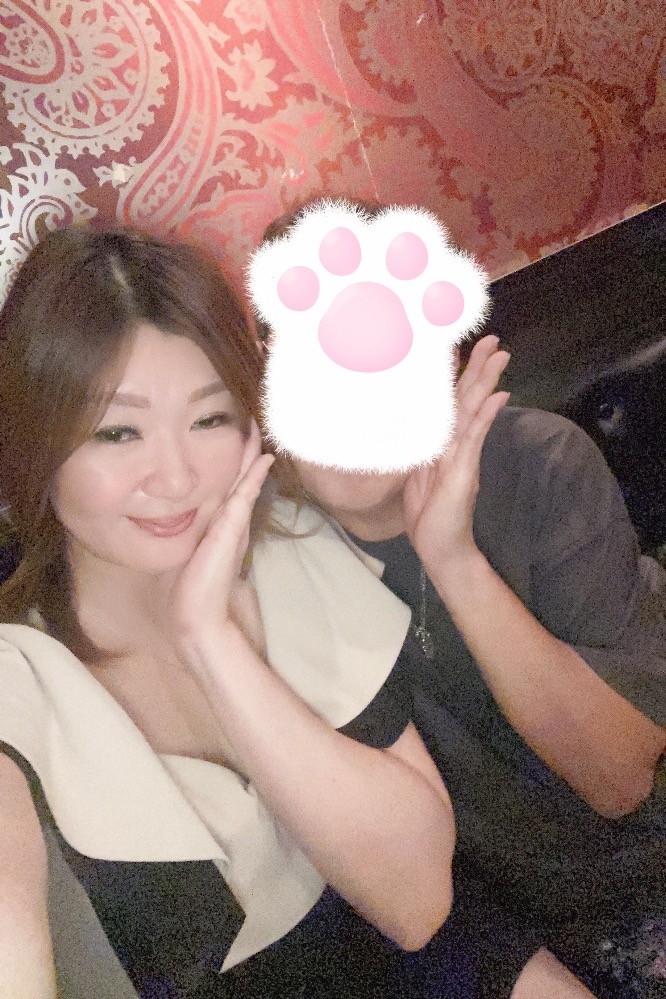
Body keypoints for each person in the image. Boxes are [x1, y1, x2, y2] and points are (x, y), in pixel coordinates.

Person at [0, 226, 598, 999]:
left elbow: (419, 903)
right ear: (35, 444)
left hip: (420, 951)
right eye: (117, 431)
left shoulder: (289, 544)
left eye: (209, 418)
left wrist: (211, 641)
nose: (177, 477)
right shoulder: (19, 675)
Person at [257, 198, 666, 998]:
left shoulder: (537, 463)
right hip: (484, 937)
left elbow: (620, 780)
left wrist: (453, 559)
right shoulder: (267, 564)